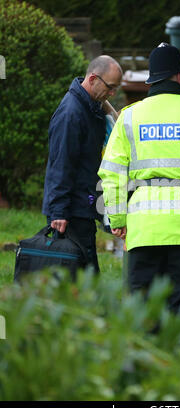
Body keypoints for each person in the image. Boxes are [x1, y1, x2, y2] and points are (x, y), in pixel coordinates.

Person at [98, 43, 180, 348]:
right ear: (176, 76)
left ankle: (147, 379)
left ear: (152, 80)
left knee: (143, 312)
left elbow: (112, 174)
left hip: (143, 231)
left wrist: (117, 219)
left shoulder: (129, 117)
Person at [42, 55, 123, 272]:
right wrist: (58, 211)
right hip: (72, 210)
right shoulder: (71, 113)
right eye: (111, 87)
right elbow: (61, 164)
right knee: (85, 276)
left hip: (84, 205)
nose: (113, 93)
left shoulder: (91, 106)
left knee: (80, 276)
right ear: (93, 79)